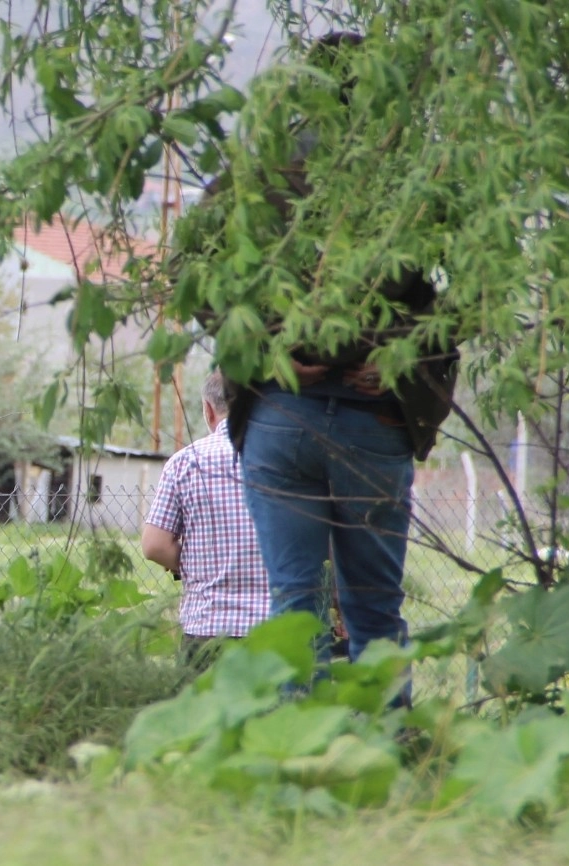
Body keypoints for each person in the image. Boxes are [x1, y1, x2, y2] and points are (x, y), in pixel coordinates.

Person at [174, 32, 459, 703]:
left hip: (281, 415)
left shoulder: (259, 170)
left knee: (294, 606)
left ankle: (295, 762)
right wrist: (401, 352)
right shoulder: (409, 178)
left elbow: (190, 265)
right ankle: (382, 754)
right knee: (375, 615)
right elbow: (473, 288)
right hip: (374, 418)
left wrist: (266, 349)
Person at [142, 371, 270, 664]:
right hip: (279, 631)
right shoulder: (289, 458)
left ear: (208, 410)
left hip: (208, 628)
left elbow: (154, 545)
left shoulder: (186, 462)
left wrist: (195, 564)